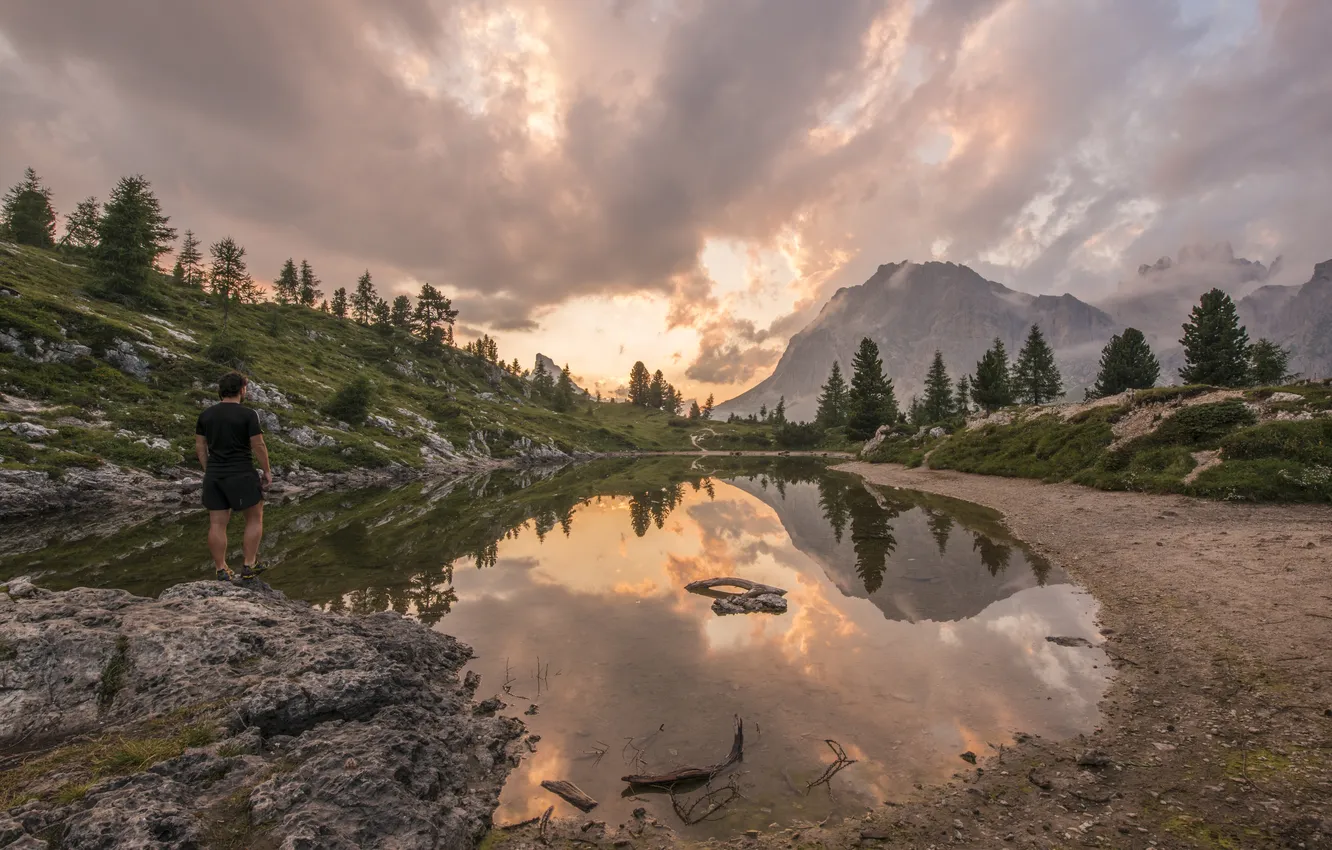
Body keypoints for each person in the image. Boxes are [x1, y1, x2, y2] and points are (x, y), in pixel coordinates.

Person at [195, 371, 272, 581]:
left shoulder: (206, 415)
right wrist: (266, 470)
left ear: (221, 390)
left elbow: (200, 446)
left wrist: (208, 469)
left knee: (217, 524)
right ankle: (249, 565)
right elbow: (258, 444)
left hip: (214, 475)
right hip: (242, 473)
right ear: (242, 389)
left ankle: (221, 569)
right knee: (254, 518)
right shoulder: (248, 414)